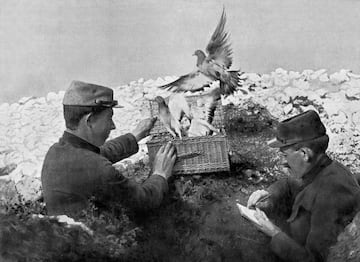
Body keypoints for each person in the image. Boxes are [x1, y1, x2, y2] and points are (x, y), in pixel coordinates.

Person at [41, 80, 177, 217]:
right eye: (109, 118)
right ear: (89, 121)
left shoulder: (56, 152)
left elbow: (103, 153)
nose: (113, 126)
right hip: (96, 237)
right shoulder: (96, 168)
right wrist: (160, 174)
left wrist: (135, 136)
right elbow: (143, 201)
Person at [246, 110, 360, 262]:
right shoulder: (318, 169)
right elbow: (289, 183)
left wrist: (274, 233)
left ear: (304, 154)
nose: (282, 162)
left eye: (285, 155)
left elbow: (314, 259)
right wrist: (268, 196)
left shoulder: (332, 196)